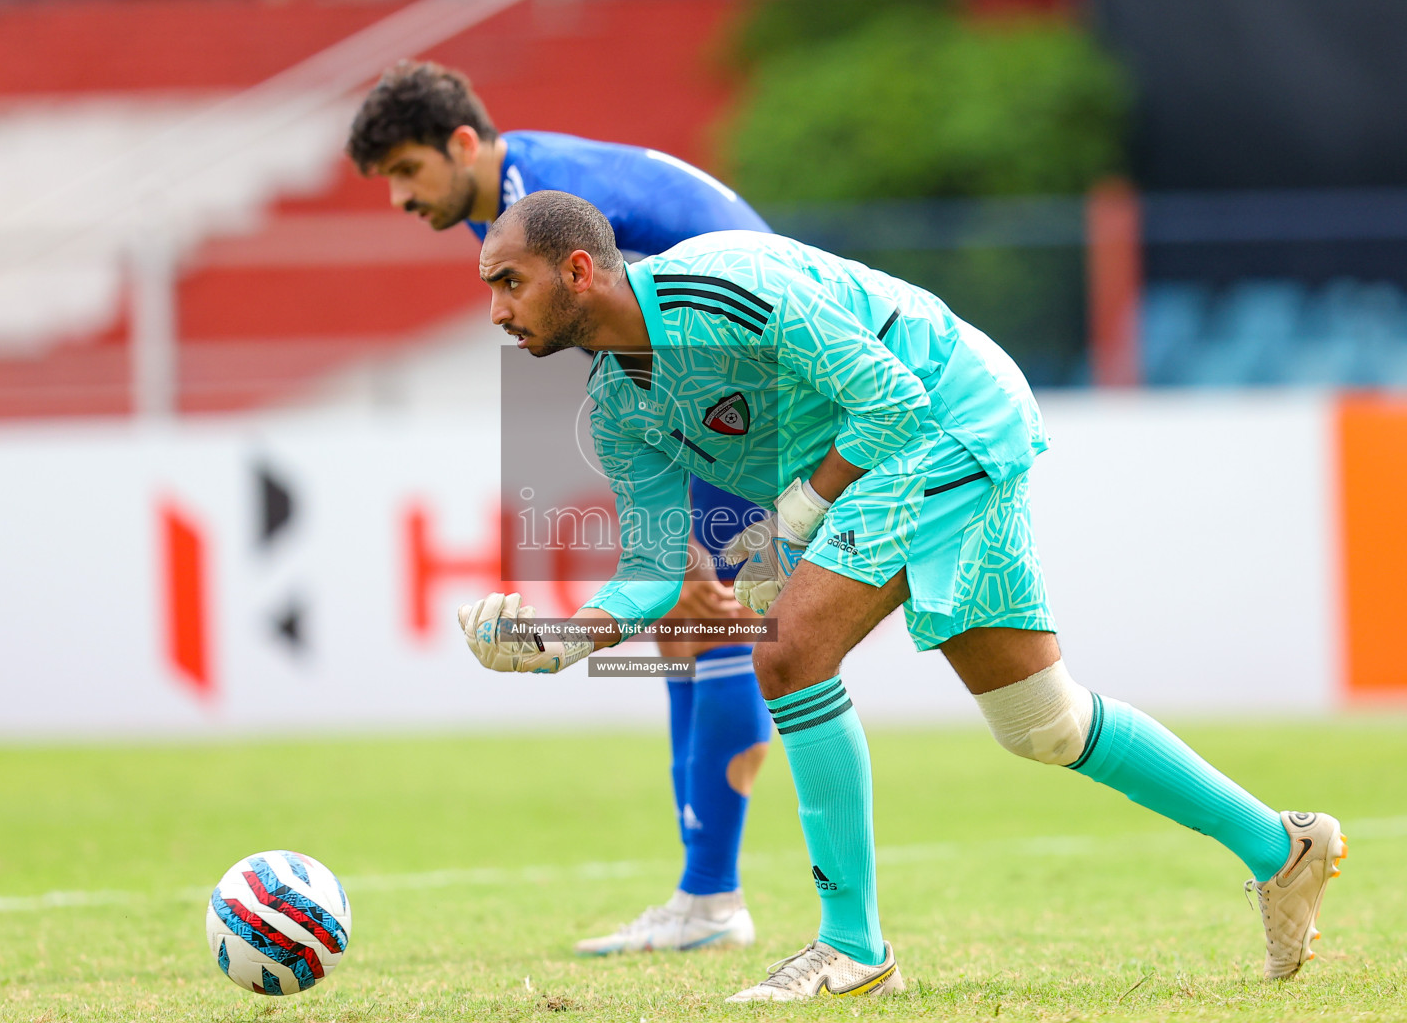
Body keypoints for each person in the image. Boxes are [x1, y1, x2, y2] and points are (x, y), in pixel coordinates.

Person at [457, 190, 1347, 1002]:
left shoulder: (726, 283)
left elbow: (894, 405)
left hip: (949, 416)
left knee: (787, 645)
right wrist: (557, 640)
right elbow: (654, 569)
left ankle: (853, 947)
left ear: (578, 270)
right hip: (892, 451)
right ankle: (1283, 847)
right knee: (1045, 724)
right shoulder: (615, 405)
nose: (497, 309)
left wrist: (798, 512)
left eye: (509, 282)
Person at [346, 62, 777, 955]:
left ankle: (713, 902)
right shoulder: (509, 199)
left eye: (405, 170)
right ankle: (707, 896)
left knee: (720, 620)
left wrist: (691, 535)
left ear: (462, 143)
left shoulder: (544, 197)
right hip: (706, 381)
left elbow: (679, 304)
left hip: (752, 378)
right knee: (687, 624)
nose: (396, 196)